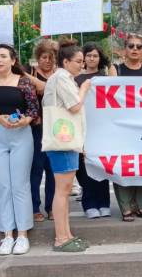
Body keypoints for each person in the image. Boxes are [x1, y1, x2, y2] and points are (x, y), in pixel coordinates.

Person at [0, 44, 39, 255]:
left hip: (21, 134)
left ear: (13, 60)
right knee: (1, 185)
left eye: (3, 56)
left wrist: (25, 121)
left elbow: (33, 109)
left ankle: (22, 234)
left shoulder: (23, 81)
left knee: (20, 184)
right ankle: (7, 235)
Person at [43, 42, 91, 252]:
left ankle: (66, 234)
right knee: (62, 191)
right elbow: (74, 106)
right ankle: (61, 237)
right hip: (63, 141)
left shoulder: (62, 77)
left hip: (66, 140)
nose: (82, 65)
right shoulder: (61, 77)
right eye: (78, 61)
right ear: (66, 61)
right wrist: (84, 89)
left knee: (63, 190)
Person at [110, 34, 142, 222]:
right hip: (121, 125)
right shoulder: (115, 69)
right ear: (125, 49)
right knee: (123, 164)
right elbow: (112, 96)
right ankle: (126, 207)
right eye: (131, 46)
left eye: (139, 46)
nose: (136, 50)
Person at [75, 43, 112, 219]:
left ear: (100, 58)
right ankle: (89, 204)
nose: (91, 59)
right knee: (86, 168)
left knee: (102, 167)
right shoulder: (76, 79)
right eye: (88, 55)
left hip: (103, 128)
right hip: (83, 127)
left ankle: (104, 203)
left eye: (95, 56)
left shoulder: (106, 77)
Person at [28, 40, 57, 222]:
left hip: (56, 127)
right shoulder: (29, 73)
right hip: (36, 128)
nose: (47, 61)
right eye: (44, 57)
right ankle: (33, 207)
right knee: (35, 169)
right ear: (37, 58)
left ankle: (52, 207)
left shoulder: (59, 75)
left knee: (54, 170)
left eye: (51, 58)